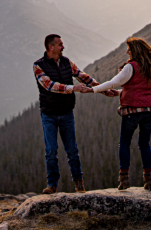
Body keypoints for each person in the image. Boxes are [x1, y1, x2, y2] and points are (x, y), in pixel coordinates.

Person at [33, 34, 112, 194]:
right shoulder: (38, 66)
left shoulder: (67, 62)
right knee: (51, 151)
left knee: (72, 150)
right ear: (51, 47)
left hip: (66, 112)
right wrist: (72, 88)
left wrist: (101, 89)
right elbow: (49, 85)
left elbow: (83, 77)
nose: (63, 47)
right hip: (49, 115)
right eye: (60, 44)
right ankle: (52, 185)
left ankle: (79, 184)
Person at [90, 37, 151, 191]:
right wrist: (119, 94)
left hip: (133, 110)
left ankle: (124, 180)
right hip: (150, 110)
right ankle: (149, 180)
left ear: (135, 50)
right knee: (145, 144)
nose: (127, 52)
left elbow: (114, 81)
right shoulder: (150, 66)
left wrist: (93, 89)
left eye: (129, 49)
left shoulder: (131, 66)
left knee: (124, 142)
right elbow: (140, 88)